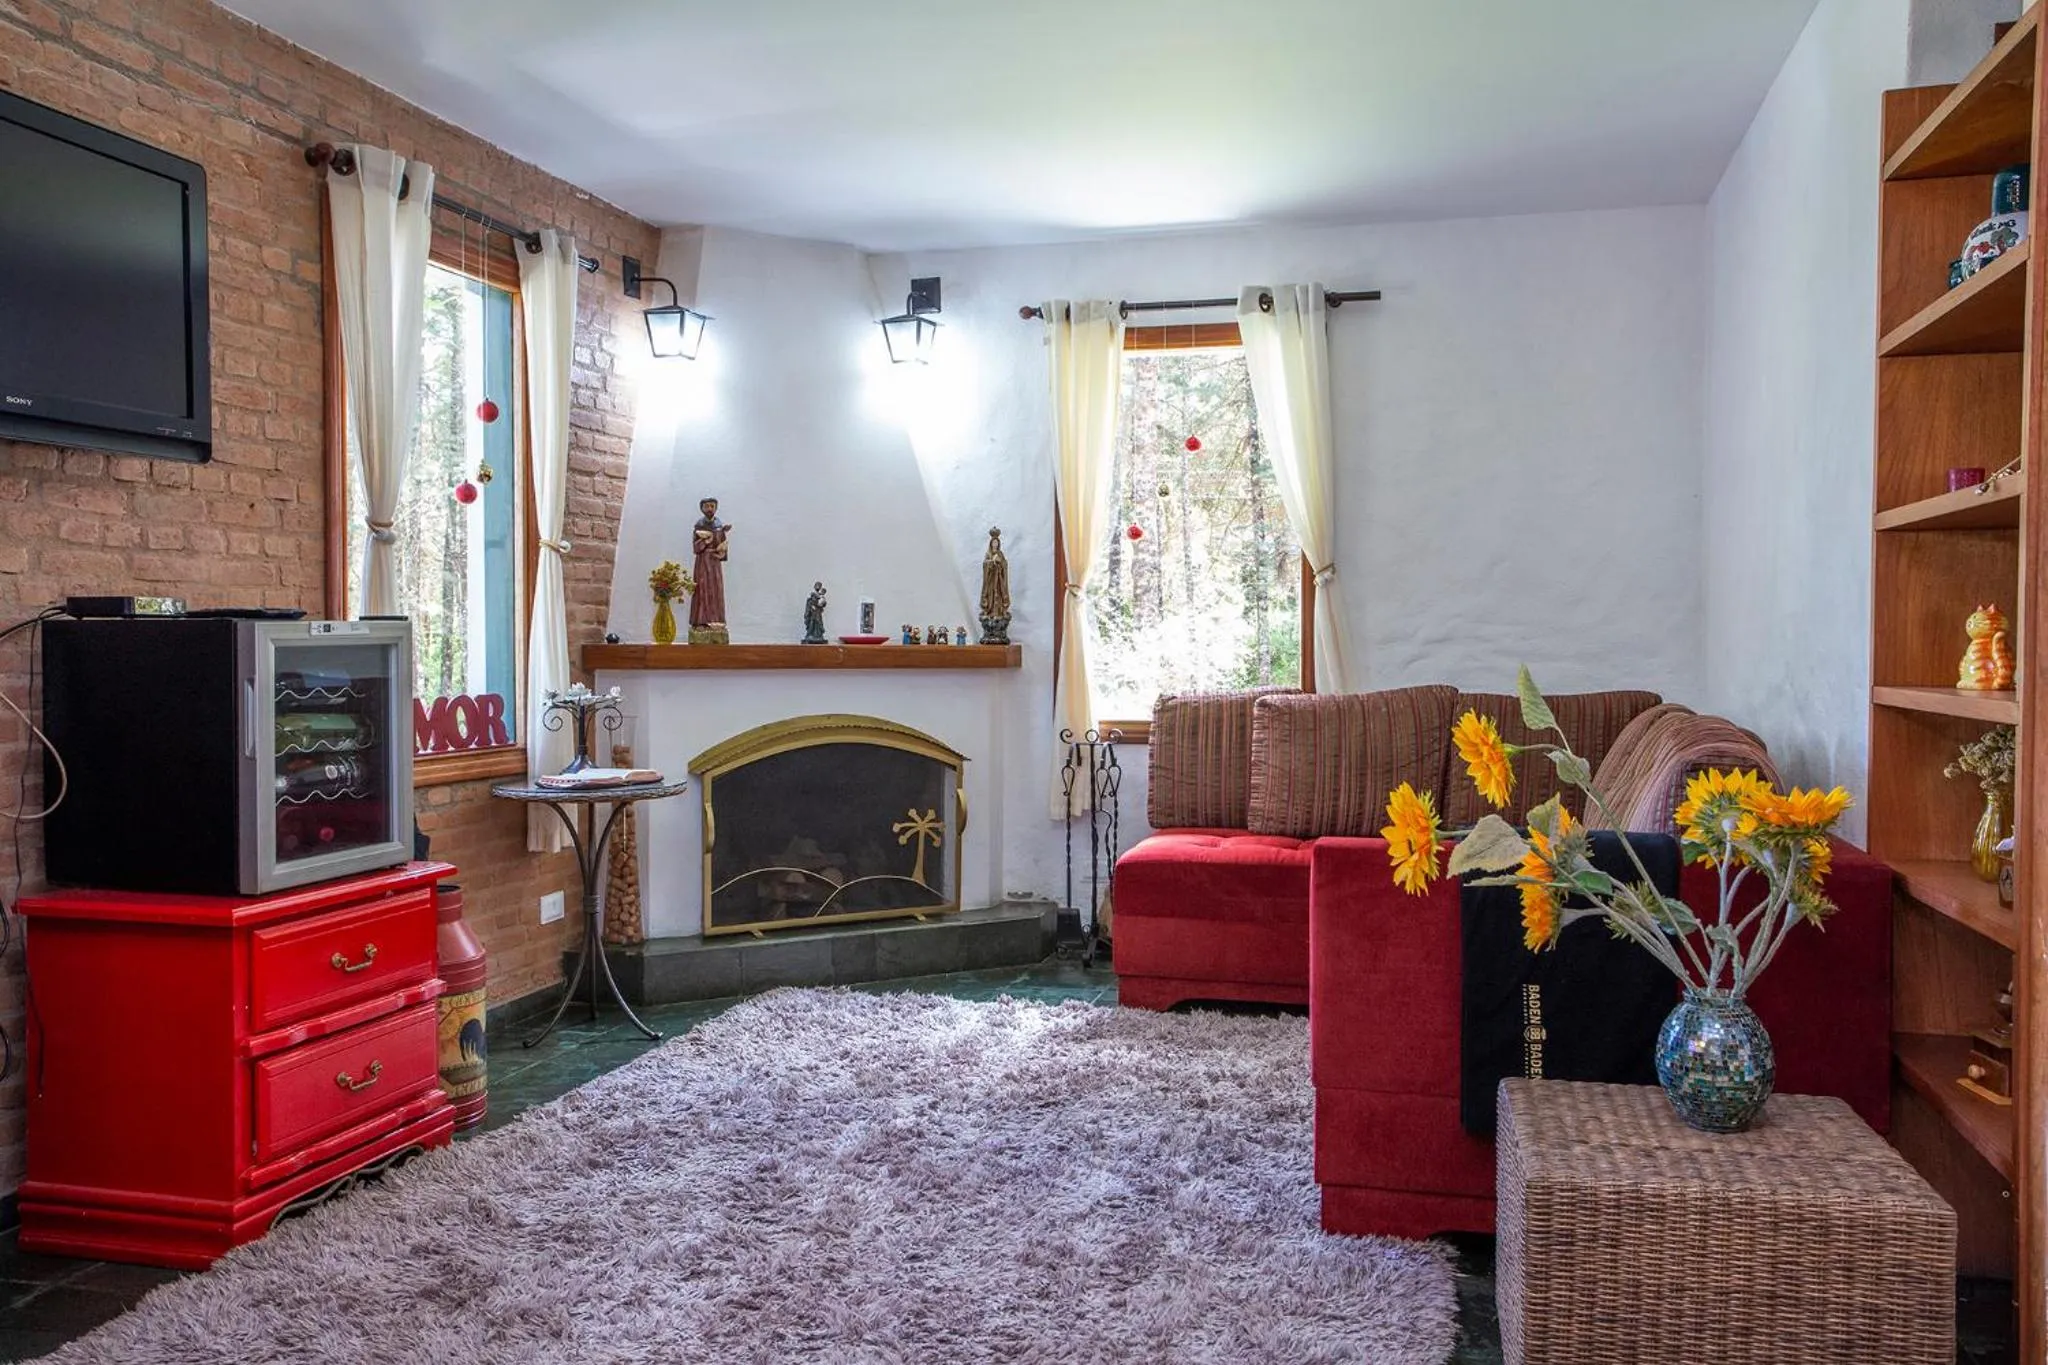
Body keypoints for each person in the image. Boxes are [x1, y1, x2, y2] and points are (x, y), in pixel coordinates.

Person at [691, 498, 730, 629]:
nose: (709, 509)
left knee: (716, 589)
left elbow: (723, 545)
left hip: (714, 562)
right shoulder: (699, 526)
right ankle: (700, 621)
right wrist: (706, 542)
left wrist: (721, 552)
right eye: (707, 506)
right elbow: (695, 548)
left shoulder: (719, 525)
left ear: (716, 508)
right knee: (702, 588)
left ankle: (716, 620)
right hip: (703, 562)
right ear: (701, 508)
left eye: (712, 506)